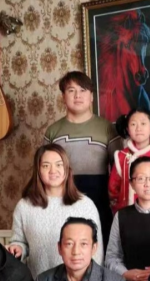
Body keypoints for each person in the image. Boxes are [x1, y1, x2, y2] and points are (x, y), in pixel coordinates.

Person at [6, 144, 103, 278]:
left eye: (59, 165)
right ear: (38, 170)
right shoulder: (24, 206)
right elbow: (19, 242)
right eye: (46, 166)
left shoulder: (85, 205)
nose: (53, 170)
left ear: (67, 168)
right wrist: (18, 248)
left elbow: (96, 252)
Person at [44, 71, 122, 237]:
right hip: (62, 201)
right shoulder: (53, 131)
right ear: (63, 97)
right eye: (71, 90)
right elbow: (43, 171)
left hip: (99, 201)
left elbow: (119, 170)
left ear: (91, 96)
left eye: (83, 90)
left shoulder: (107, 128)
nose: (77, 95)